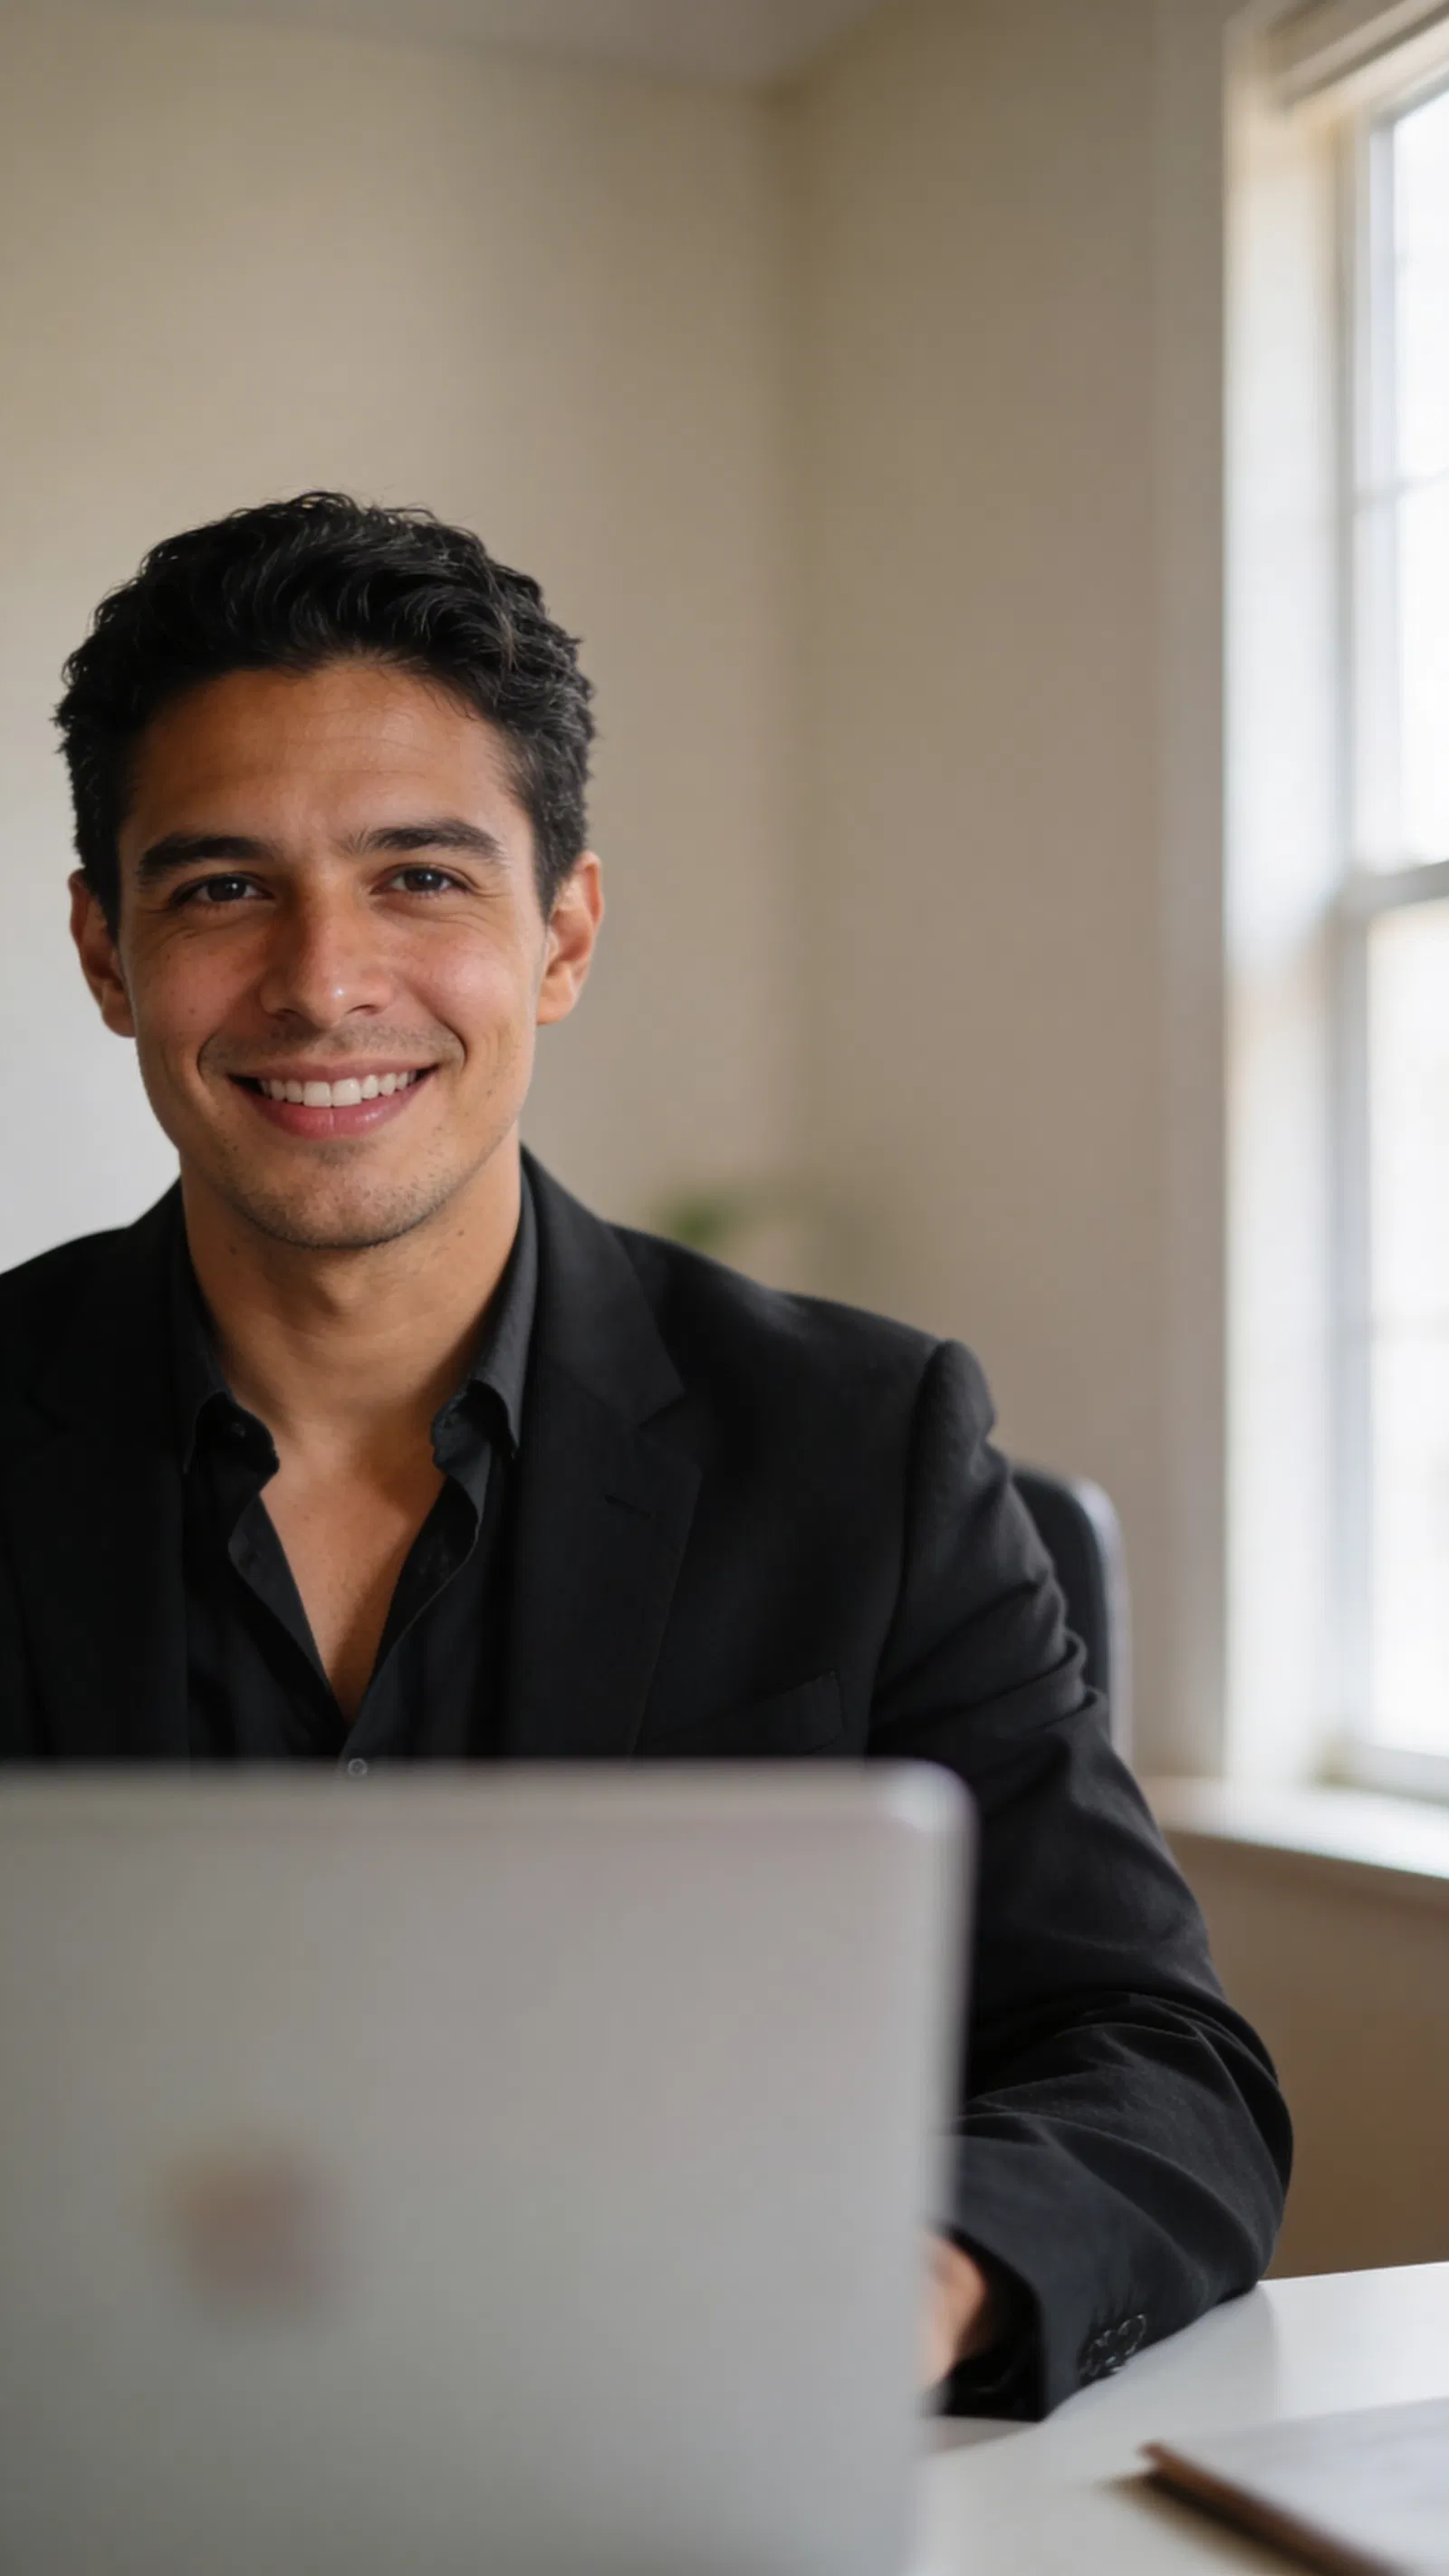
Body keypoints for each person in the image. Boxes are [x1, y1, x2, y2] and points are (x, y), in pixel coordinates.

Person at [0, 493, 1290, 2417]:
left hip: (668, 2464)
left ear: (563, 936)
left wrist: (918, 2280)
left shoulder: (863, 1448)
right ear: (107, 953)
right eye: (218, 889)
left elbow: (1153, 2058)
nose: (323, 980)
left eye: (421, 879)